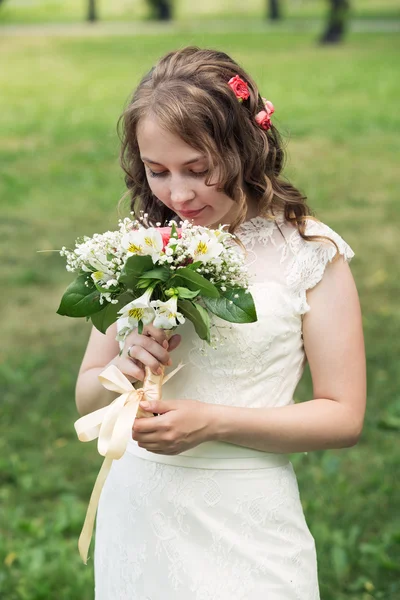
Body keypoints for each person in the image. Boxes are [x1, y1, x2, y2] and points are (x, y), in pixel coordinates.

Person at [75, 46, 366, 599]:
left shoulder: (308, 252)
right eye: (157, 171)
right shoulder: (139, 249)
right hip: (141, 510)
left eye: (199, 170)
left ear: (245, 147)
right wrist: (122, 364)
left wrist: (211, 422)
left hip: (247, 516)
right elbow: (86, 397)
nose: (178, 194)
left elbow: (343, 416)